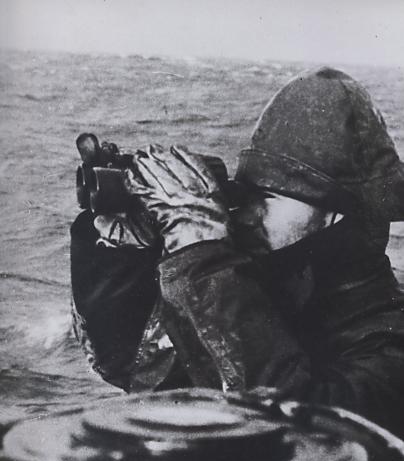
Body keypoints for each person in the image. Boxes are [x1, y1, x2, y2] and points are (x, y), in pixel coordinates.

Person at [71, 67, 404, 438]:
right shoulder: (270, 287)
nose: (247, 215)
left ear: (333, 215)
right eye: (245, 196)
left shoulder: (389, 344)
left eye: (268, 197)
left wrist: (202, 251)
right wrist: (128, 254)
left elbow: (293, 433)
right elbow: (128, 367)